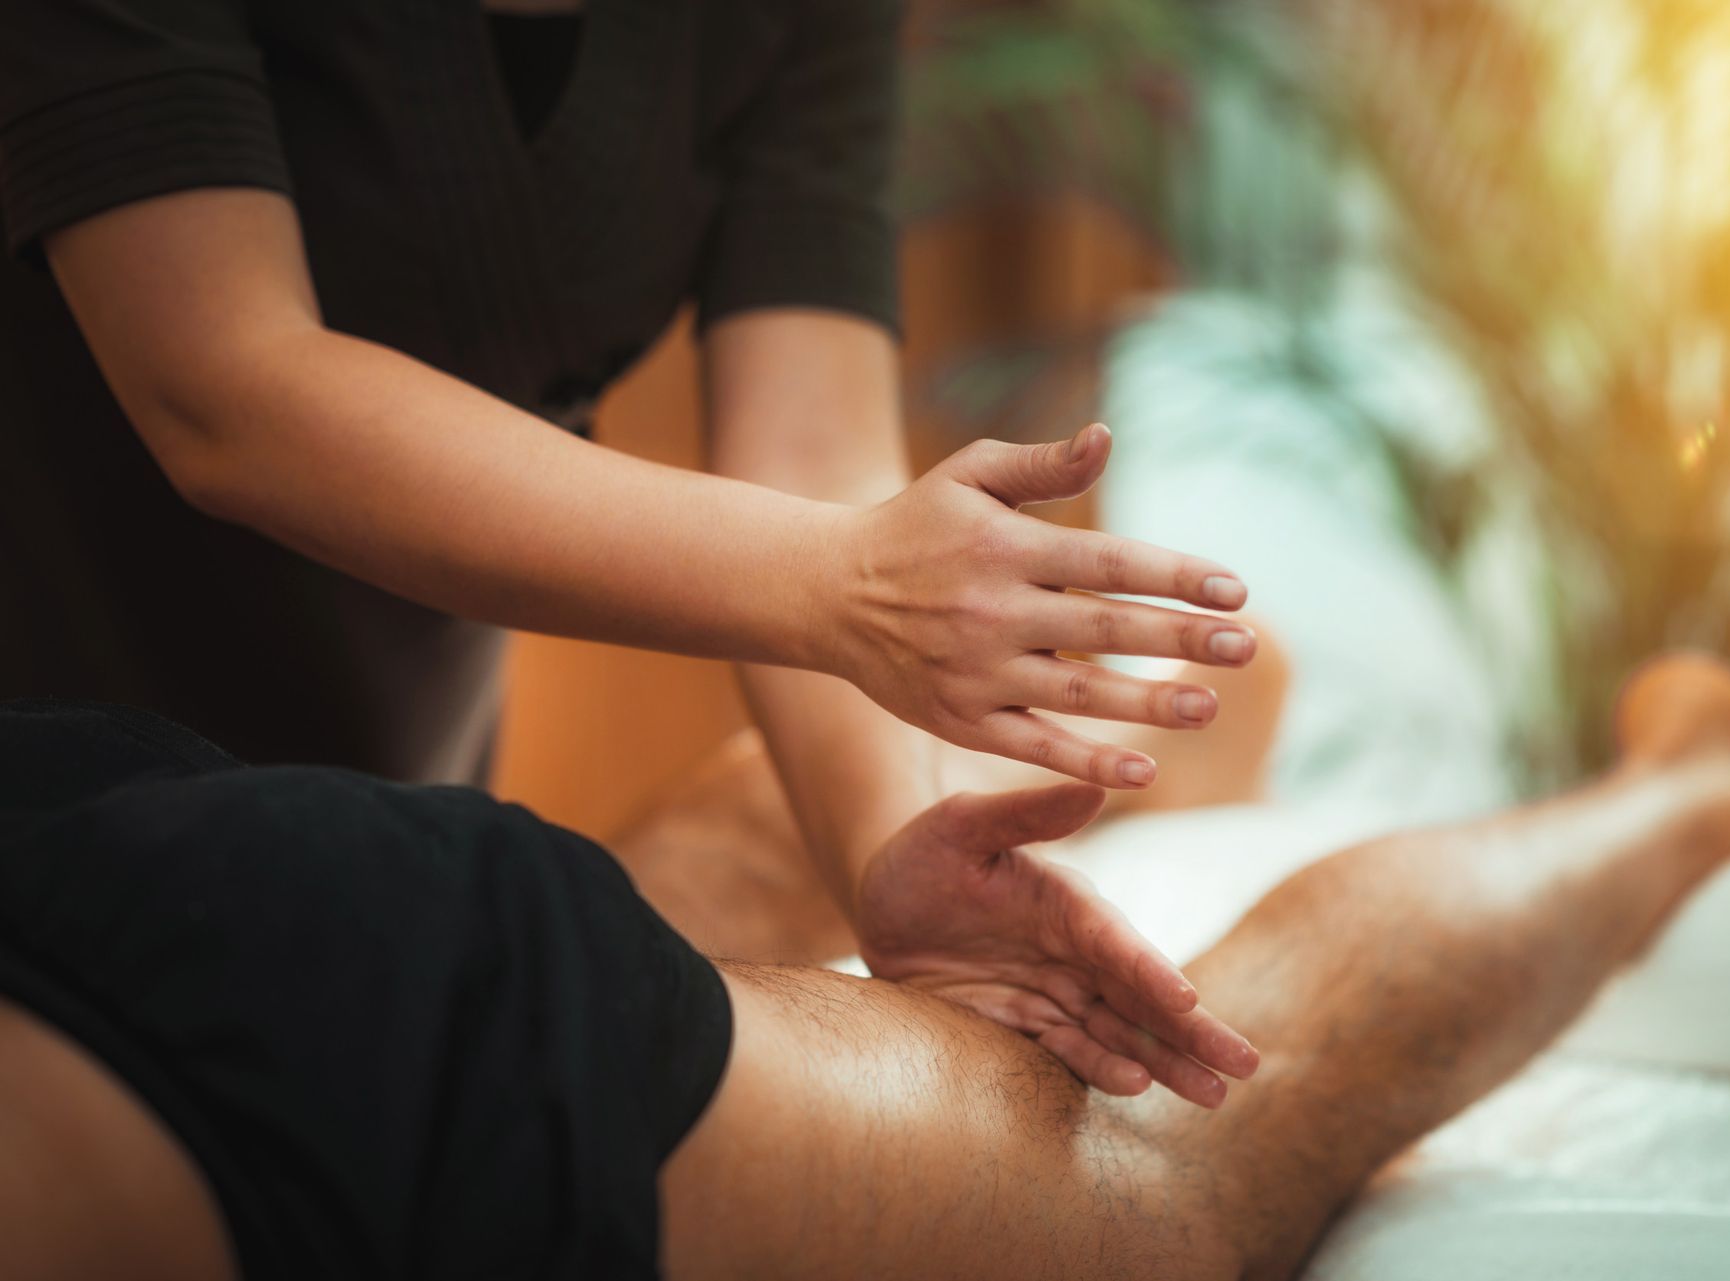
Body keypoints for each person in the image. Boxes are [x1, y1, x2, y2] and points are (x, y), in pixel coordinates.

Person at [0, 0, 1261, 1082]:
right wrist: (852, 581)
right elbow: (222, 386)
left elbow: (815, 456)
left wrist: (896, 849)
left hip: (375, 822)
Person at [0, 652, 1730, 1279]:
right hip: (132, 868)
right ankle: (1156, 719)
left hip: (272, 1031)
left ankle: (1695, 786)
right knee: (597, 960)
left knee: (1159, 1174)